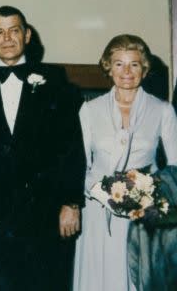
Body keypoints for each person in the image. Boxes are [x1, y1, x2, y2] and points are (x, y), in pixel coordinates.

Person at [0, 5, 85, 291]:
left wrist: (71, 203)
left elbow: (71, 145)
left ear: (27, 35)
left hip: (44, 210)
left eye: (14, 30)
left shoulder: (55, 80)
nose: (7, 38)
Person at [72, 34, 177, 291]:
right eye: (119, 63)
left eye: (134, 64)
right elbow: (80, 164)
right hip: (98, 210)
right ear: (108, 67)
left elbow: (174, 167)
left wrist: (148, 193)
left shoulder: (162, 110)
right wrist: (103, 194)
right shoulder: (90, 110)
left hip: (144, 213)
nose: (126, 72)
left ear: (144, 68)